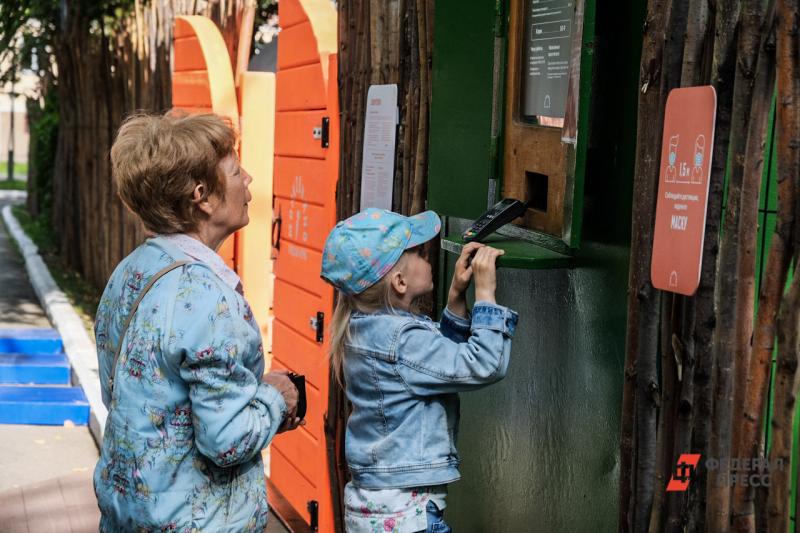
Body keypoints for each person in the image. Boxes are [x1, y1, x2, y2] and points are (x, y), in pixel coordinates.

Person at [93, 112, 302, 532]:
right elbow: (226, 441)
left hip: (131, 515)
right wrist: (279, 398)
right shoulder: (209, 297)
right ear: (202, 196)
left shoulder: (131, 272)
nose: (249, 179)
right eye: (235, 170)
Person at [320, 208, 519, 533]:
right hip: (407, 517)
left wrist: (456, 298)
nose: (428, 254)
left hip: (377, 510)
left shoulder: (363, 329)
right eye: (417, 252)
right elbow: (484, 365)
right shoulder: (400, 340)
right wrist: (486, 296)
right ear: (399, 281)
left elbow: (436, 366)